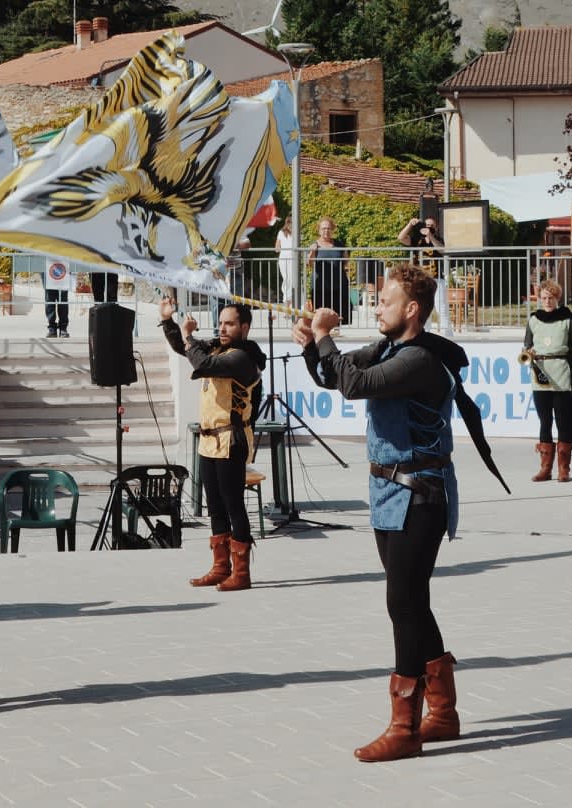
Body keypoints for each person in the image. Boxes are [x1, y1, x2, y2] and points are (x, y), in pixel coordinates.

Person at [295, 264, 460, 763]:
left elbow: (354, 385)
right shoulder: (388, 348)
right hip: (388, 493)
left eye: (385, 302)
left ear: (411, 310)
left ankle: (404, 726)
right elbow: (333, 375)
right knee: (412, 603)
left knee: (402, 605)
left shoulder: (420, 360)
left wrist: (326, 336)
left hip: (420, 494)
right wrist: (311, 343)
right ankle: (445, 712)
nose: (376, 309)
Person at [159, 295, 266, 592]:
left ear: (244, 327)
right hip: (209, 439)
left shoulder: (243, 357)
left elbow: (202, 363)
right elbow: (186, 349)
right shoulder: (220, 349)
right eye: (220, 323)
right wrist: (169, 322)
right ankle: (221, 567)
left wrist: (189, 337)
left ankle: (241, 573)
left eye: (229, 324)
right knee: (215, 506)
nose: (222, 328)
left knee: (233, 505)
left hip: (231, 438)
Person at [521, 279, 572, 482]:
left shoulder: (567, 320)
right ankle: (545, 468)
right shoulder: (533, 320)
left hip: (561, 374)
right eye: (544, 298)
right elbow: (527, 344)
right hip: (540, 375)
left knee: (563, 420)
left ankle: (563, 468)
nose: (547, 301)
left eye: (551, 297)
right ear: (539, 299)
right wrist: (528, 353)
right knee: (544, 420)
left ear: (558, 298)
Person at [397, 214, 448, 329]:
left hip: (436, 278)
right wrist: (410, 224)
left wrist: (430, 236)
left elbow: (442, 250)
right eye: (427, 225)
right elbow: (401, 238)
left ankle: (447, 334)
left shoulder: (438, 239)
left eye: (432, 225)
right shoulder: (416, 239)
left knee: (442, 307)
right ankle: (426, 333)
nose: (429, 227)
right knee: (423, 308)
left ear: (436, 227)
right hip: (420, 279)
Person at [308, 218, 350, 326]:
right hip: (320, 286)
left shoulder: (339, 244)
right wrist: (312, 252)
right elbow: (310, 264)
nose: (326, 231)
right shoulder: (314, 245)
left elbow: (345, 261)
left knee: (338, 315)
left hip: (338, 283)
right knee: (321, 316)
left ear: (332, 230)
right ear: (319, 230)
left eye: (328, 228)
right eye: (323, 228)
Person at [42, 258, 71, 339]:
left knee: (63, 299)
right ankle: (52, 328)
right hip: (47, 265)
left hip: (63, 264)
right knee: (49, 300)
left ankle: (63, 328)